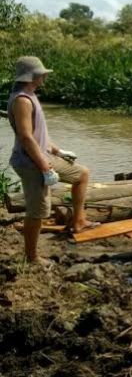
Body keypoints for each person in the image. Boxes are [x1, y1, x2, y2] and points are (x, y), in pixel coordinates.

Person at [8, 56, 96, 264]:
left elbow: (38, 134)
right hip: (30, 162)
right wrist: (44, 166)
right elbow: (26, 137)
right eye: (41, 74)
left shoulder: (31, 95)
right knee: (38, 211)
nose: (44, 76)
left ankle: (79, 220)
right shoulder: (22, 100)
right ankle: (32, 257)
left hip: (42, 155)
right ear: (32, 76)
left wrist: (57, 151)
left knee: (81, 174)